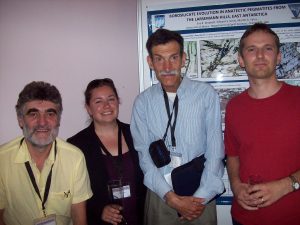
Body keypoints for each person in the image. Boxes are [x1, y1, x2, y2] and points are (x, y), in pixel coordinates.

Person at [130, 28, 225, 225]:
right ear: (150, 62)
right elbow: (143, 156)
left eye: (173, 58)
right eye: (159, 59)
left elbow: (215, 150)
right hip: (160, 195)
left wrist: (201, 198)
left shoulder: (206, 94)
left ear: (183, 58)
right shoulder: (142, 102)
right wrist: (170, 197)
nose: (167, 66)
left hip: (201, 195)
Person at [225, 23, 300, 225]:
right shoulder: (234, 106)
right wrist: (235, 185)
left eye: (268, 48)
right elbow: (233, 155)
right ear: (241, 59)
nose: (259, 55)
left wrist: (286, 185)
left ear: (279, 56)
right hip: (243, 218)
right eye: (251, 49)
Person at [0, 81, 93, 225]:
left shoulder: (75, 158)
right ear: (20, 120)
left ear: (58, 120)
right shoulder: (2, 159)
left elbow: (79, 218)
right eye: (33, 114)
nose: (42, 122)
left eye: (50, 113)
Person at [67, 78, 145, 225]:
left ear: (118, 101)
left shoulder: (137, 134)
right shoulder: (77, 145)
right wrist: (98, 209)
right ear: (88, 108)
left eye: (111, 99)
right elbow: (72, 194)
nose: (106, 105)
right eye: (98, 101)